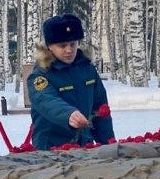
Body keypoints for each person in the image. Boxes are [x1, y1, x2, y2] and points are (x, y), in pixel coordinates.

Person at [27, 13, 115, 150]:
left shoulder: (87, 69)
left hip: (84, 145)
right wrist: (68, 115)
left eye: (73, 44)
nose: (69, 50)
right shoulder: (40, 75)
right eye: (62, 46)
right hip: (52, 147)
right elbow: (45, 100)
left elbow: (100, 107)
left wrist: (108, 142)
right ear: (49, 46)